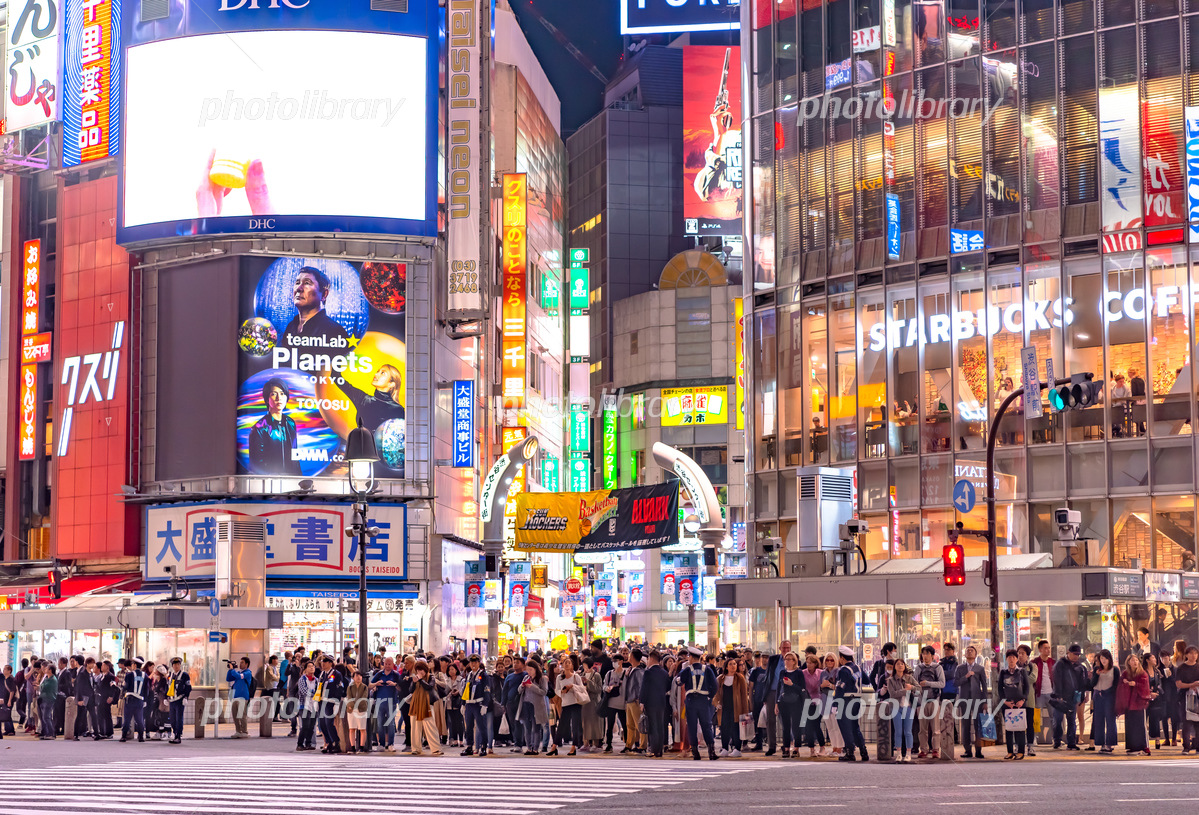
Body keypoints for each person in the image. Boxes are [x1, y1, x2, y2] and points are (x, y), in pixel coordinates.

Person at [280, 266, 350, 349]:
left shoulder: (335, 331)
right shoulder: (291, 326)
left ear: (324, 294)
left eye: (307, 283)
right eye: (297, 283)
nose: (299, 288)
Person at [247, 377, 300, 475]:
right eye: (273, 394)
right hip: (269, 483)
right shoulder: (259, 428)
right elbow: (257, 465)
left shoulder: (290, 423)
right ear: (267, 399)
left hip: (291, 482)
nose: (279, 398)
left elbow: (295, 458)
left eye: (282, 393)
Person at [333, 364, 405, 432]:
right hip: (361, 444)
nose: (376, 374)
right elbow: (336, 378)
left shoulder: (398, 410)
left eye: (382, 373)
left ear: (391, 384)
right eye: (377, 371)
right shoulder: (363, 399)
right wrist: (339, 357)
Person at [680, 647, 719, 761]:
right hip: (703, 701)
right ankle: (711, 752)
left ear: (691, 657)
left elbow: (679, 681)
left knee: (692, 727)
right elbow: (715, 685)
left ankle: (695, 753)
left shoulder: (687, 670)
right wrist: (709, 696)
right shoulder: (707, 669)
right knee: (706, 726)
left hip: (691, 701)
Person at [834, 646, 869, 762]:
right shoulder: (858, 668)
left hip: (846, 700)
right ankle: (863, 751)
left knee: (845, 727)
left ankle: (850, 752)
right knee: (854, 726)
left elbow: (840, 688)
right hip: (857, 701)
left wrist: (835, 704)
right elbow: (867, 681)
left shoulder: (843, 670)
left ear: (842, 657)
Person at [1050, 643, 1086, 750]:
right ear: (1068, 653)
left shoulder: (1079, 666)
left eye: (1078, 654)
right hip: (1059, 697)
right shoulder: (1060, 664)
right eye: (1075, 654)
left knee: (1071, 720)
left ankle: (1071, 743)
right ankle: (1057, 740)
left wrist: (1082, 695)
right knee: (1058, 719)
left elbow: (1082, 682)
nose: (1076, 656)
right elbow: (1056, 680)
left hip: (1072, 697)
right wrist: (1058, 695)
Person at [405, 660, 444, 756]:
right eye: (418, 670)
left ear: (425, 669)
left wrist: (420, 680)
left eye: (421, 669)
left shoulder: (431, 677)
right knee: (415, 727)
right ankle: (416, 748)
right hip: (415, 704)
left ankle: (436, 749)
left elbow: (429, 687)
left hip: (427, 704)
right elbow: (410, 690)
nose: (419, 672)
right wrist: (414, 683)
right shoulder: (415, 678)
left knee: (431, 726)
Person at [715, 652, 750, 758]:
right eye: (730, 664)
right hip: (724, 707)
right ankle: (724, 748)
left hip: (737, 708)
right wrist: (716, 703)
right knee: (724, 728)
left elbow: (744, 696)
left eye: (734, 664)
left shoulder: (740, 678)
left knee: (736, 728)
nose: (733, 666)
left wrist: (745, 711)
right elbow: (716, 693)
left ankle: (737, 748)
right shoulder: (720, 678)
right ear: (726, 666)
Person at [913, 645, 945, 760]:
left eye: (927, 654)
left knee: (936, 727)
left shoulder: (938, 668)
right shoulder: (918, 668)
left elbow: (942, 684)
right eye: (923, 654)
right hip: (921, 701)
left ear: (932, 655)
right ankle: (924, 749)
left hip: (934, 700)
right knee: (922, 728)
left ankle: (936, 749)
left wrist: (928, 683)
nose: (925, 656)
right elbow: (914, 684)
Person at [998, 649, 1030, 760]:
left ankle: (1021, 752)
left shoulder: (1022, 671)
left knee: (1020, 728)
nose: (1011, 659)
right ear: (1006, 659)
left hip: (1020, 704)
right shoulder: (1003, 672)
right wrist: (1005, 701)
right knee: (1009, 729)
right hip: (1007, 704)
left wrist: (1023, 700)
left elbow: (1027, 688)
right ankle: (1010, 752)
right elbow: (1000, 690)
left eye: (1013, 657)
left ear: (1016, 659)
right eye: (1009, 657)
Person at [1118, 654, 1152, 756]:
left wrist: (1135, 684)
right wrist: (1124, 682)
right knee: (1130, 725)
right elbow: (1120, 685)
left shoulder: (1142, 673)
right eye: (1133, 660)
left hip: (1139, 703)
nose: (1135, 662)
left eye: (1136, 660)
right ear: (1128, 662)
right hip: (1129, 703)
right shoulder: (1125, 673)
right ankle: (1132, 746)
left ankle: (1143, 746)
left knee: (1140, 725)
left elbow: (1145, 686)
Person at [763, 641, 792, 756]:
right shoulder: (774, 659)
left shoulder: (794, 659)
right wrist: (765, 694)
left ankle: (787, 745)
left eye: (788, 648)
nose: (785, 650)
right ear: (780, 648)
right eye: (783, 648)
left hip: (786, 693)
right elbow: (768, 676)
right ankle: (771, 746)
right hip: (772, 692)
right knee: (770, 720)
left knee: (786, 720)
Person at [640, 650, 672, 757]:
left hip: (650, 702)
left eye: (648, 659)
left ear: (652, 658)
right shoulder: (664, 673)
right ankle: (659, 750)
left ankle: (653, 749)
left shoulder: (648, 672)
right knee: (661, 726)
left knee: (652, 726)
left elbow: (644, 688)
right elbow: (668, 686)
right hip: (662, 702)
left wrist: (642, 702)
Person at [887, 658, 919, 762]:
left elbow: (919, 688)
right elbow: (892, 694)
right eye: (898, 664)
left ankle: (908, 754)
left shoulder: (909, 678)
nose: (900, 666)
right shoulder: (890, 680)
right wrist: (905, 691)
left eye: (902, 664)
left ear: (904, 666)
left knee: (908, 731)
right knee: (898, 731)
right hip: (896, 708)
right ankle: (899, 754)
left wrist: (912, 687)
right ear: (894, 667)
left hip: (908, 707)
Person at [461, 654, 492, 756]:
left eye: (475, 662)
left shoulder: (483, 675)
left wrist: (485, 705)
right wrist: (463, 704)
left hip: (479, 704)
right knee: (468, 727)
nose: (473, 664)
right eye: (471, 662)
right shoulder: (469, 675)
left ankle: (483, 746)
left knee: (481, 727)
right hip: (469, 704)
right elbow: (465, 690)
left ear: (479, 663)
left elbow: (487, 691)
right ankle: (469, 746)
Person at [775, 651, 804, 758]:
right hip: (783, 701)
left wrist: (792, 684)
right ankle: (786, 748)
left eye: (789, 659)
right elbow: (779, 687)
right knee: (785, 726)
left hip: (796, 701)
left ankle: (796, 748)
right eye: (785, 659)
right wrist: (776, 703)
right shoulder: (783, 672)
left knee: (796, 726)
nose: (787, 661)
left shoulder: (799, 673)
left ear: (794, 661)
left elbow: (802, 688)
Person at [1089, 649, 1119, 753]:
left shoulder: (1114, 670)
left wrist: (1106, 692)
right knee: (1098, 720)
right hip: (1098, 696)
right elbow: (1092, 684)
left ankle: (1110, 743)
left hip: (1109, 697)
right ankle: (1101, 743)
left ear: (1109, 659)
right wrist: (1096, 675)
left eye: (1105, 658)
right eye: (1102, 658)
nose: (1104, 660)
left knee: (1110, 720)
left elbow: (1116, 685)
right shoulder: (1097, 668)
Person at [555, 654, 585, 756]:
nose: (567, 664)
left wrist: (572, 686)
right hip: (565, 703)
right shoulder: (559, 677)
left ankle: (574, 746)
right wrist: (562, 692)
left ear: (572, 665)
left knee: (576, 726)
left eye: (569, 663)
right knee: (562, 725)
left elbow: (582, 688)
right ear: (562, 665)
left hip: (576, 702)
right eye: (565, 663)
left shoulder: (576, 676)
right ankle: (555, 745)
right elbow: (557, 690)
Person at [519, 660, 549, 755]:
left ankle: (535, 748)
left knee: (536, 728)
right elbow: (519, 690)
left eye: (531, 670)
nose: (529, 672)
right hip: (526, 704)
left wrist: (532, 686)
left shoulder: (542, 679)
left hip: (537, 706)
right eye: (528, 670)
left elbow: (543, 692)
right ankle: (529, 747)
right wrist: (522, 686)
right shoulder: (526, 677)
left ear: (536, 669)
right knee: (527, 727)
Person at [1030, 640, 1056, 748]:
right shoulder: (1034, 662)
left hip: (1051, 694)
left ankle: (1056, 738)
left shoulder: (1053, 662)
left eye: (1049, 648)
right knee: (1036, 717)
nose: (1048, 650)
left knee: (1053, 717)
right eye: (1045, 648)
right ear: (1040, 650)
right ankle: (1034, 738)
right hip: (1039, 694)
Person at [315, 657, 344, 754]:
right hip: (321, 700)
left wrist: (337, 701)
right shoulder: (322, 674)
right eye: (322, 662)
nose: (323, 664)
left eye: (325, 662)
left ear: (330, 663)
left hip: (330, 701)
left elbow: (339, 688)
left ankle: (336, 742)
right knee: (322, 724)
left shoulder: (336, 674)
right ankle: (328, 742)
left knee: (329, 723)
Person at [820, 653, 845, 758]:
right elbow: (819, 687)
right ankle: (834, 747)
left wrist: (829, 685)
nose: (829, 662)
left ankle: (839, 748)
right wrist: (822, 685)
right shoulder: (823, 673)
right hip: (825, 701)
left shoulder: (839, 672)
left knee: (837, 727)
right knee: (829, 727)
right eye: (827, 660)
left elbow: (841, 687)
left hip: (835, 701)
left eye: (831, 660)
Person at [1175, 645, 1199, 754]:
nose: (1193, 656)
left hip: (1197, 697)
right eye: (1191, 653)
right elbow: (1178, 684)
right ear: (1186, 655)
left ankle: (1197, 746)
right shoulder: (1181, 668)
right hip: (1185, 697)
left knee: (1197, 723)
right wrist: (1191, 684)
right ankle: (1186, 746)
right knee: (1187, 722)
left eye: (1195, 653)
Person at [120, 659, 148, 743]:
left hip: (130, 699)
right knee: (139, 719)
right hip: (140, 700)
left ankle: (124, 736)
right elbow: (147, 689)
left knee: (127, 719)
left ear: (135, 665)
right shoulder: (145, 676)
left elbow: (125, 686)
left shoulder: (129, 675)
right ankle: (141, 737)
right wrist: (145, 700)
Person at [226, 657, 253, 739]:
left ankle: (244, 731)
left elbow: (238, 676)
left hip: (243, 696)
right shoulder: (237, 672)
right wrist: (230, 670)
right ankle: (238, 731)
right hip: (235, 696)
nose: (240, 664)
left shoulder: (248, 673)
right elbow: (228, 678)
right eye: (240, 662)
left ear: (246, 664)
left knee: (242, 715)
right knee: (235, 715)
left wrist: (232, 669)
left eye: (242, 662)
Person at [295, 660, 319, 751]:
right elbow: (304, 692)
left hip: (314, 706)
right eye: (309, 666)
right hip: (304, 705)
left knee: (312, 726)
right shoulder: (302, 679)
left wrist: (315, 693)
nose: (312, 668)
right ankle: (300, 744)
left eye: (313, 666)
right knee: (305, 726)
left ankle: (308, 743)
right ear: (305, 669)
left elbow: (319, 692)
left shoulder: (317, 680)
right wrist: (315, 692)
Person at [344, 670, 369, 754]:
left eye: (360, 676)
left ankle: (361, 747)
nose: (358, 677)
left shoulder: (365, 687)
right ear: (353, 678)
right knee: (351, 729)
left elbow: (364, 697)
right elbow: (349, 696)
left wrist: (356, 704)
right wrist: (351, 705)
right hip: (351, 710)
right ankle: (353, 747)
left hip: (361, 709)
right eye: (356, 676)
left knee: (362, 729)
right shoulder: (350, 687)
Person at [38, 664, 58, 740]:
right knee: (45, 717)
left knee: (47, 716)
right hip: (43, 699)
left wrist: (40, 687)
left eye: (47, 668)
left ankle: (51, 733)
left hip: (49, 699)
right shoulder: (47, 678)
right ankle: (46, 733)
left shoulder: (53, 679)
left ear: (50, 670)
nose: (45, 670)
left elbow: (44, 687)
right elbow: (42, 685)